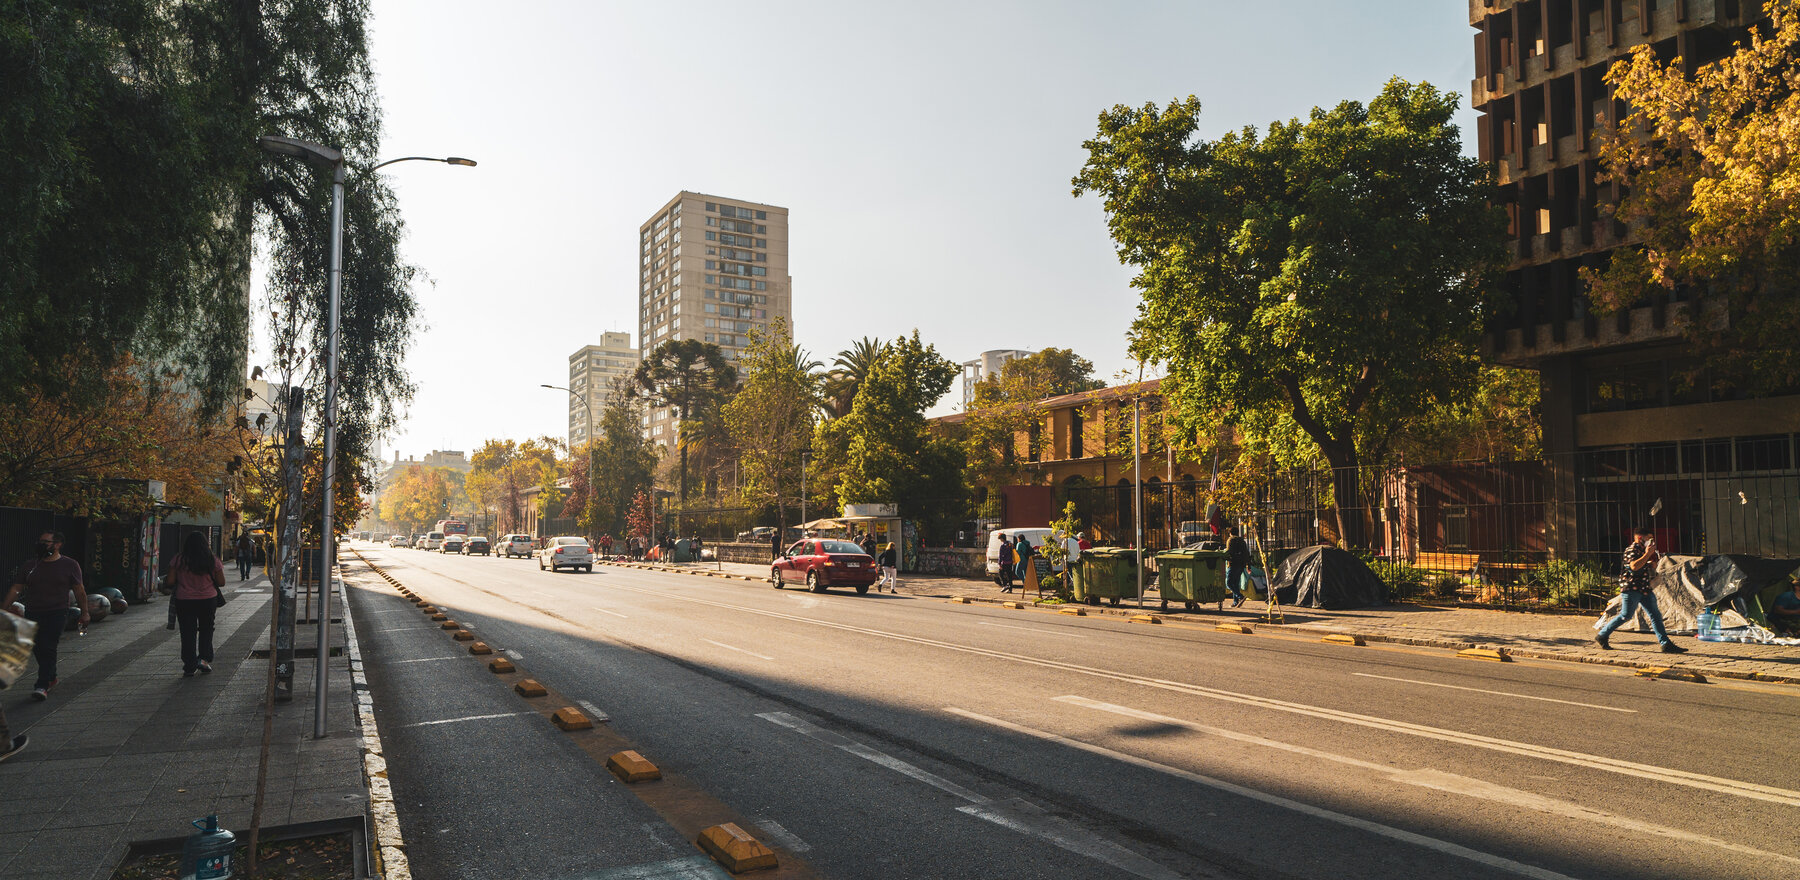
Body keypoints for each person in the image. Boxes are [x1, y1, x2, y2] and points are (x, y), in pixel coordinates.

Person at [4, 530, 90, 700]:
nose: (41, 544)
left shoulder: (70, 565)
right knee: (37, 646)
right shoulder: (30, 565)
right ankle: (51, 676)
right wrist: (4, 607)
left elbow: (79, 590)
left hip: (56, 612)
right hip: (33, 611)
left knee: (48, 646)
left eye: (46, 542)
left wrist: (85, 613)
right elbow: (17, 588)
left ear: (57, 544)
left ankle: (42, 685)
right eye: (40, 541)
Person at [1595, 525, 1687, 653]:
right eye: (1649, 539)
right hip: (1632, 588)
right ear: (1640, 538)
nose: (1651, 542)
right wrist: (1648, 554)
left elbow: (1639, 566)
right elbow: (1633, 566)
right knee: (1626, 615)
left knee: (1655, 615)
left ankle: (1665, 644)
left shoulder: (1642, 551)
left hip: (1644, 588)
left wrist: (1650, 563)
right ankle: (1602, 635)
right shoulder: (1632, 549)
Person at [165, 532, 227, 677]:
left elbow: (170, 581)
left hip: (184, 600)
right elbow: (221, 582)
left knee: (187, 632)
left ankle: (189, 665)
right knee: (206, 629)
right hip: (207, 599)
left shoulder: (179, 559)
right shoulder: (212, 560)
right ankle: (204, 660)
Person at [1223, 524, 1250, 607]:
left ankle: (1240, 596)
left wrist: (1223, 555)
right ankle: (1235, 602)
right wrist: (1248, 565)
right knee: (1236, 583)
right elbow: (1246, 553)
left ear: (1230, 533)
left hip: (1232, 564)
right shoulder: (1242, 541)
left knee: (1229, 583)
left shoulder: (1230, 540)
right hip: (1241, 565)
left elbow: (1228, 552)